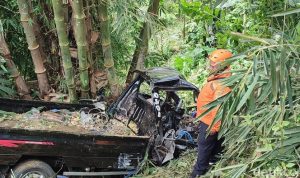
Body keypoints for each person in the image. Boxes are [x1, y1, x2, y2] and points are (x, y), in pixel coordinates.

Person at [190, 49, 233, 178]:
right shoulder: (218, 78)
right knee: (215, 146)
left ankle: (198, 172)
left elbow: (219, 108)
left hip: (211, 123)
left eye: (213, 64)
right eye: (210, 63)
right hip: (209, 120)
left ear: (222, 65)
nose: (210, 66)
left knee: (204, 147)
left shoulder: (221, 85)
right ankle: (213, 164)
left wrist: (213, 128)